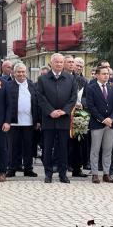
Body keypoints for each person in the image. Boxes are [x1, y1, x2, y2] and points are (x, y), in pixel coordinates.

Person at [37, 53, 77, 184]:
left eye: (61, 62)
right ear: (51, 63)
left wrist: (64, 111)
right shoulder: (43, 79)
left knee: (63, 148)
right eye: (57, 62)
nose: (59, 64)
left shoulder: (70, 79)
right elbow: (40, 98)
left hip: (63, 119)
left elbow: (73, 98)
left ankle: (63, 174)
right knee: (47, 148)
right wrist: (51, 111)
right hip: (49, 119)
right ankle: (48, 174)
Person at [86, 66, 113, 184]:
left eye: (108, 74)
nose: (107, 76)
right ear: (97, 75)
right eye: (104, 74)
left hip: (110, 124)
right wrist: (102, 119)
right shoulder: (91, 88)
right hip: (97, 123)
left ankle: (106, 173)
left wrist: (111, 118)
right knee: (95, 149)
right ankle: (95, 173)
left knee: (108, 149)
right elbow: (91, 106)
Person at [6, 63, 39, 178]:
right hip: (14, 122)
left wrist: (37, 120)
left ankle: (28, 169)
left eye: (23, 72)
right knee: (13, 147)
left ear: (26, 72)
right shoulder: (8, 85)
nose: (21, 74)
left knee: (28, 147)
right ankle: (12, 169)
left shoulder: (32, 85)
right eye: (18, 72)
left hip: (29, 122)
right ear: (14, 73)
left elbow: (37, 103)